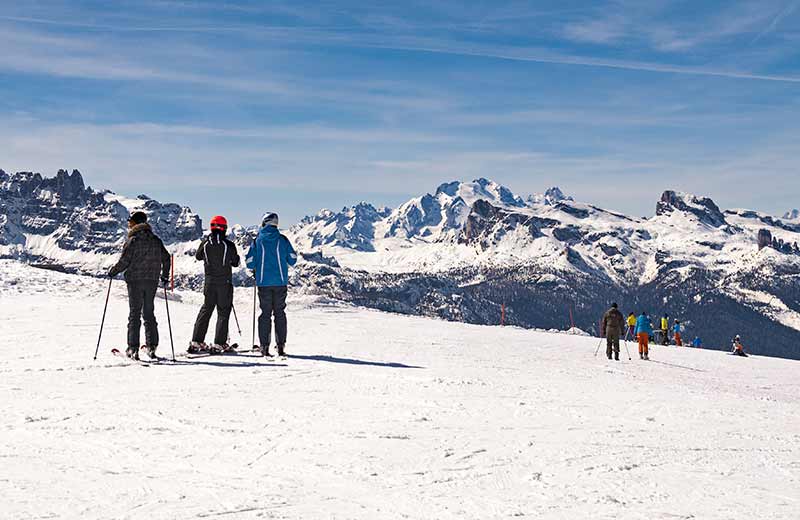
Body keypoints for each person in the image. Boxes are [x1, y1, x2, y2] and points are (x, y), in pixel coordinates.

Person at [107, 211, 171, 360]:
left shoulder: (133, 240)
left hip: (135, 281)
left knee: (134, 314)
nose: (128, 223)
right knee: (149, 313)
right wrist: (164, 276)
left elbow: (124, 261)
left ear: (135, 223)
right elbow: (166, 258)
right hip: (152, 281)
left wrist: (113, 272)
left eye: (130, 221)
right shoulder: (156, 240)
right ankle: (151, 347)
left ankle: (133, 348)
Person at [246, 212, 298, 357]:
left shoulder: (258, 240)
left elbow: (250, 263)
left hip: (263, 283)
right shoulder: (283, 239)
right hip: (280, 282)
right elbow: (293, 259)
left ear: (264, 222)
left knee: (265, 314)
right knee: (280, 313)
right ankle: (280, 346)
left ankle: (264, 347)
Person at [189, 215, 240, 354]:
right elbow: (236, 262)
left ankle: (196, 341)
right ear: (224, 228)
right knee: (223, 311)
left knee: (206, 310)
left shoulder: (205, 243)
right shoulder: (228, 245)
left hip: (209, 282)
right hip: (224, 283)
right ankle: (219, 343)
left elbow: (198, 256)